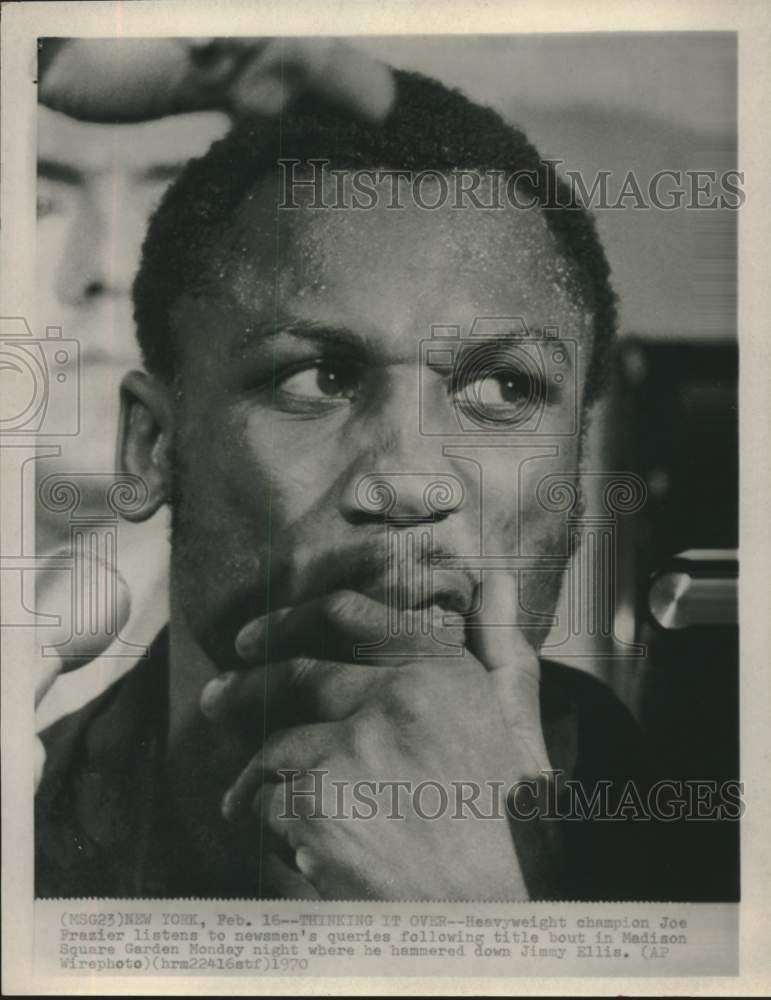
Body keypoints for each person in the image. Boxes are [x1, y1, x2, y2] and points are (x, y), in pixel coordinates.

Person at [36, 68, 671, 901]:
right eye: (318, 378)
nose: (409, 480)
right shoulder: (23, 838)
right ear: (153, 445)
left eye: (501, 390)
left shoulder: (716, 855)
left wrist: (484, 930)